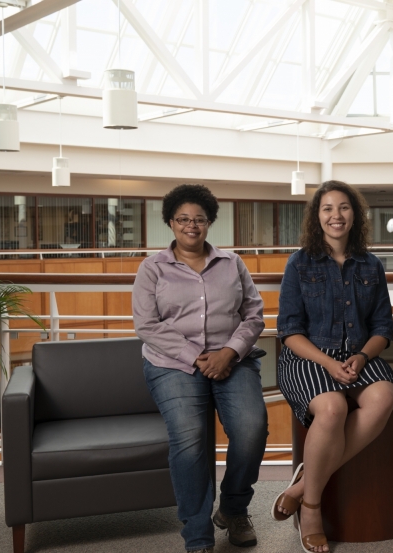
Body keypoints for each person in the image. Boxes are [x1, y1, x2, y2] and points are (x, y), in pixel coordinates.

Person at [133, 184, 268, 553]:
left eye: (199, 219)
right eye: (183, 219)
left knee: (252, 428)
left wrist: (229, 352)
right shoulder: (152, 268)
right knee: (190, 438)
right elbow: (147, 325)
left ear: (209, 223)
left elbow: (254, 315)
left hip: (233, 359)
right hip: (173, 364)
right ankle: (197, 535)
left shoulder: (232, 263)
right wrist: (196, 356)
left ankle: (234, 509)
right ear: (170, 223)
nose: (191, 226)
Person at [274, 180, 393, 553]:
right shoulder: (299, 263)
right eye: (328, 208)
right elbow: (290, 331)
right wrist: (329, 363)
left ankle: (301, 488)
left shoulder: (370, 264)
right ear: (317, 217)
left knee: (382, 398)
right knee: (331, 407)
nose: (336, 215)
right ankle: (312, 508)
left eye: (344, 207)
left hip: (360, 356)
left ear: (355, 215)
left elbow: (383, 328)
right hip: (309, 357)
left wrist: (362, 356)